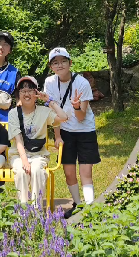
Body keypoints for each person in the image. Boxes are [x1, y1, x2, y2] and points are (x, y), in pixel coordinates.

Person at [43, 47, 101, 218]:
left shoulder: (82, 83)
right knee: (68, 172)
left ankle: (90, 209)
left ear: (70, 63)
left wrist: (76, 106)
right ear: (51, 66)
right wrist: (57, 136)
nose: (60, 65)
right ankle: (78, 205)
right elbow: (53, 113)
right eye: (55, 62)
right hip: (65, 131)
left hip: (85, 131)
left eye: (63, 61)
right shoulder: (49, 83)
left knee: (85, 173)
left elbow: (81, 117)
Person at [7, 76, 69, 205]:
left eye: (30, 90)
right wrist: (24, 160)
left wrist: (48, 100)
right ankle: (23, 209)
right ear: (19, 94)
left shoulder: (44, 111)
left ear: (36, 93)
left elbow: (63, 117)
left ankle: (37, 209)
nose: (27, 94)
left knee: (37, 171)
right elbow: (18, 139)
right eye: (23, 91)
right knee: (21, 171)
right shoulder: (13, 113)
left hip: (38, 154)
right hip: (18, 154)